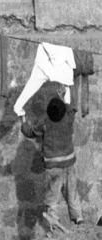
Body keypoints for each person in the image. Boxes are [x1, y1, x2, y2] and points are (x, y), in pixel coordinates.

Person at [20, 96, 80, 230]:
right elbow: (73, 108)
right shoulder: (68, 119)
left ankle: (53, 220)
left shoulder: (45, 123)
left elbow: (29, 132)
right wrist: (64, 97)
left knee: (53, 195)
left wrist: (23, 121)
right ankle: (78, 218)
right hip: (69, 162)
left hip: (53, 166)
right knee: (72, 192)